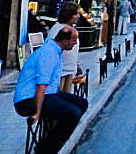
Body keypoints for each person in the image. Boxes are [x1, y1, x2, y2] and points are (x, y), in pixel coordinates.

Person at [13, 26, 89, 154]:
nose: (76, 43)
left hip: (48, 94)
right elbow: (41, 85)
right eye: (74, 40)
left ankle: (49, 142)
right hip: (28, 99)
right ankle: (46, 150)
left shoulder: (56, 51)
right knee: (72, 114)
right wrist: (37, 112)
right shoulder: (48, 53)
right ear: (65, 41)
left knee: (82, 103)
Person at [47, 3, 83, 93]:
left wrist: (76, 64)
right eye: (76, 14)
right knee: (58, 94)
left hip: (69, 67)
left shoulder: (71, 28)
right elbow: (51, 49)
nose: (78, 16)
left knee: (66, 95)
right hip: (60, 69)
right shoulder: (58, 29)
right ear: (68, 14)